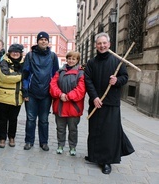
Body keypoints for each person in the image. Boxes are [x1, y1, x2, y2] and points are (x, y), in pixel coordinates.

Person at [84, 32, 135, 174]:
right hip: (96, 102)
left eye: (104, 43)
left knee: (108, 133)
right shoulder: (91, 63)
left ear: (109, 44)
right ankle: (94, 155)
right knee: (94, 131)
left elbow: (125, 77)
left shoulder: (117, 61)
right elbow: (88, 81)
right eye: (99, 43)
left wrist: (116, 81)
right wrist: (94, 97)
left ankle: (106, 161)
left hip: (111, 103)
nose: (102, 46)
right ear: (96, 45)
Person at [22, 31, 59, 151]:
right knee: (31, 119)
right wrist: (25, 92)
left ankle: (44, 142)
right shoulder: (30, 55)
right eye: (41, 39)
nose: (43, 41)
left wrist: (53, 92)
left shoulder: (53, 56)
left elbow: (55, 75)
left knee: (44, 120)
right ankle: (29, 141)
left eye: (45, 40)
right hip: (32, 93)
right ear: (37, 41)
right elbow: (25, 74)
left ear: (48, 42)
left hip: (46, 94)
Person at [49, 51, 86, 156]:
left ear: (77, 60)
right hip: (60, 105)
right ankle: (60, 145)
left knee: (73, 129)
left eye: (73, 59)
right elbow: (53, 85)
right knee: (60, 128)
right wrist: (60, 94)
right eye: (69, 58)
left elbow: (81, 89)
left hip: (73, 107)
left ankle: (72, 146)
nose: (71, 61)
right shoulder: (60, 71)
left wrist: (68, 96)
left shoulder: (81, 73)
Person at [0, 44, 24, 148]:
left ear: (21, 53)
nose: (15, 53)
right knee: (2, 119)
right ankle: (2, 138)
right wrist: (21, 75)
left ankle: (12, 137)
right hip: (3, 96)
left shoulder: (24, 63)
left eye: (18, 52)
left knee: (13, 119)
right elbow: (5, 77)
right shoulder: (4, 62)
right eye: (13, 51)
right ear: (9, 52)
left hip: (17, 97)